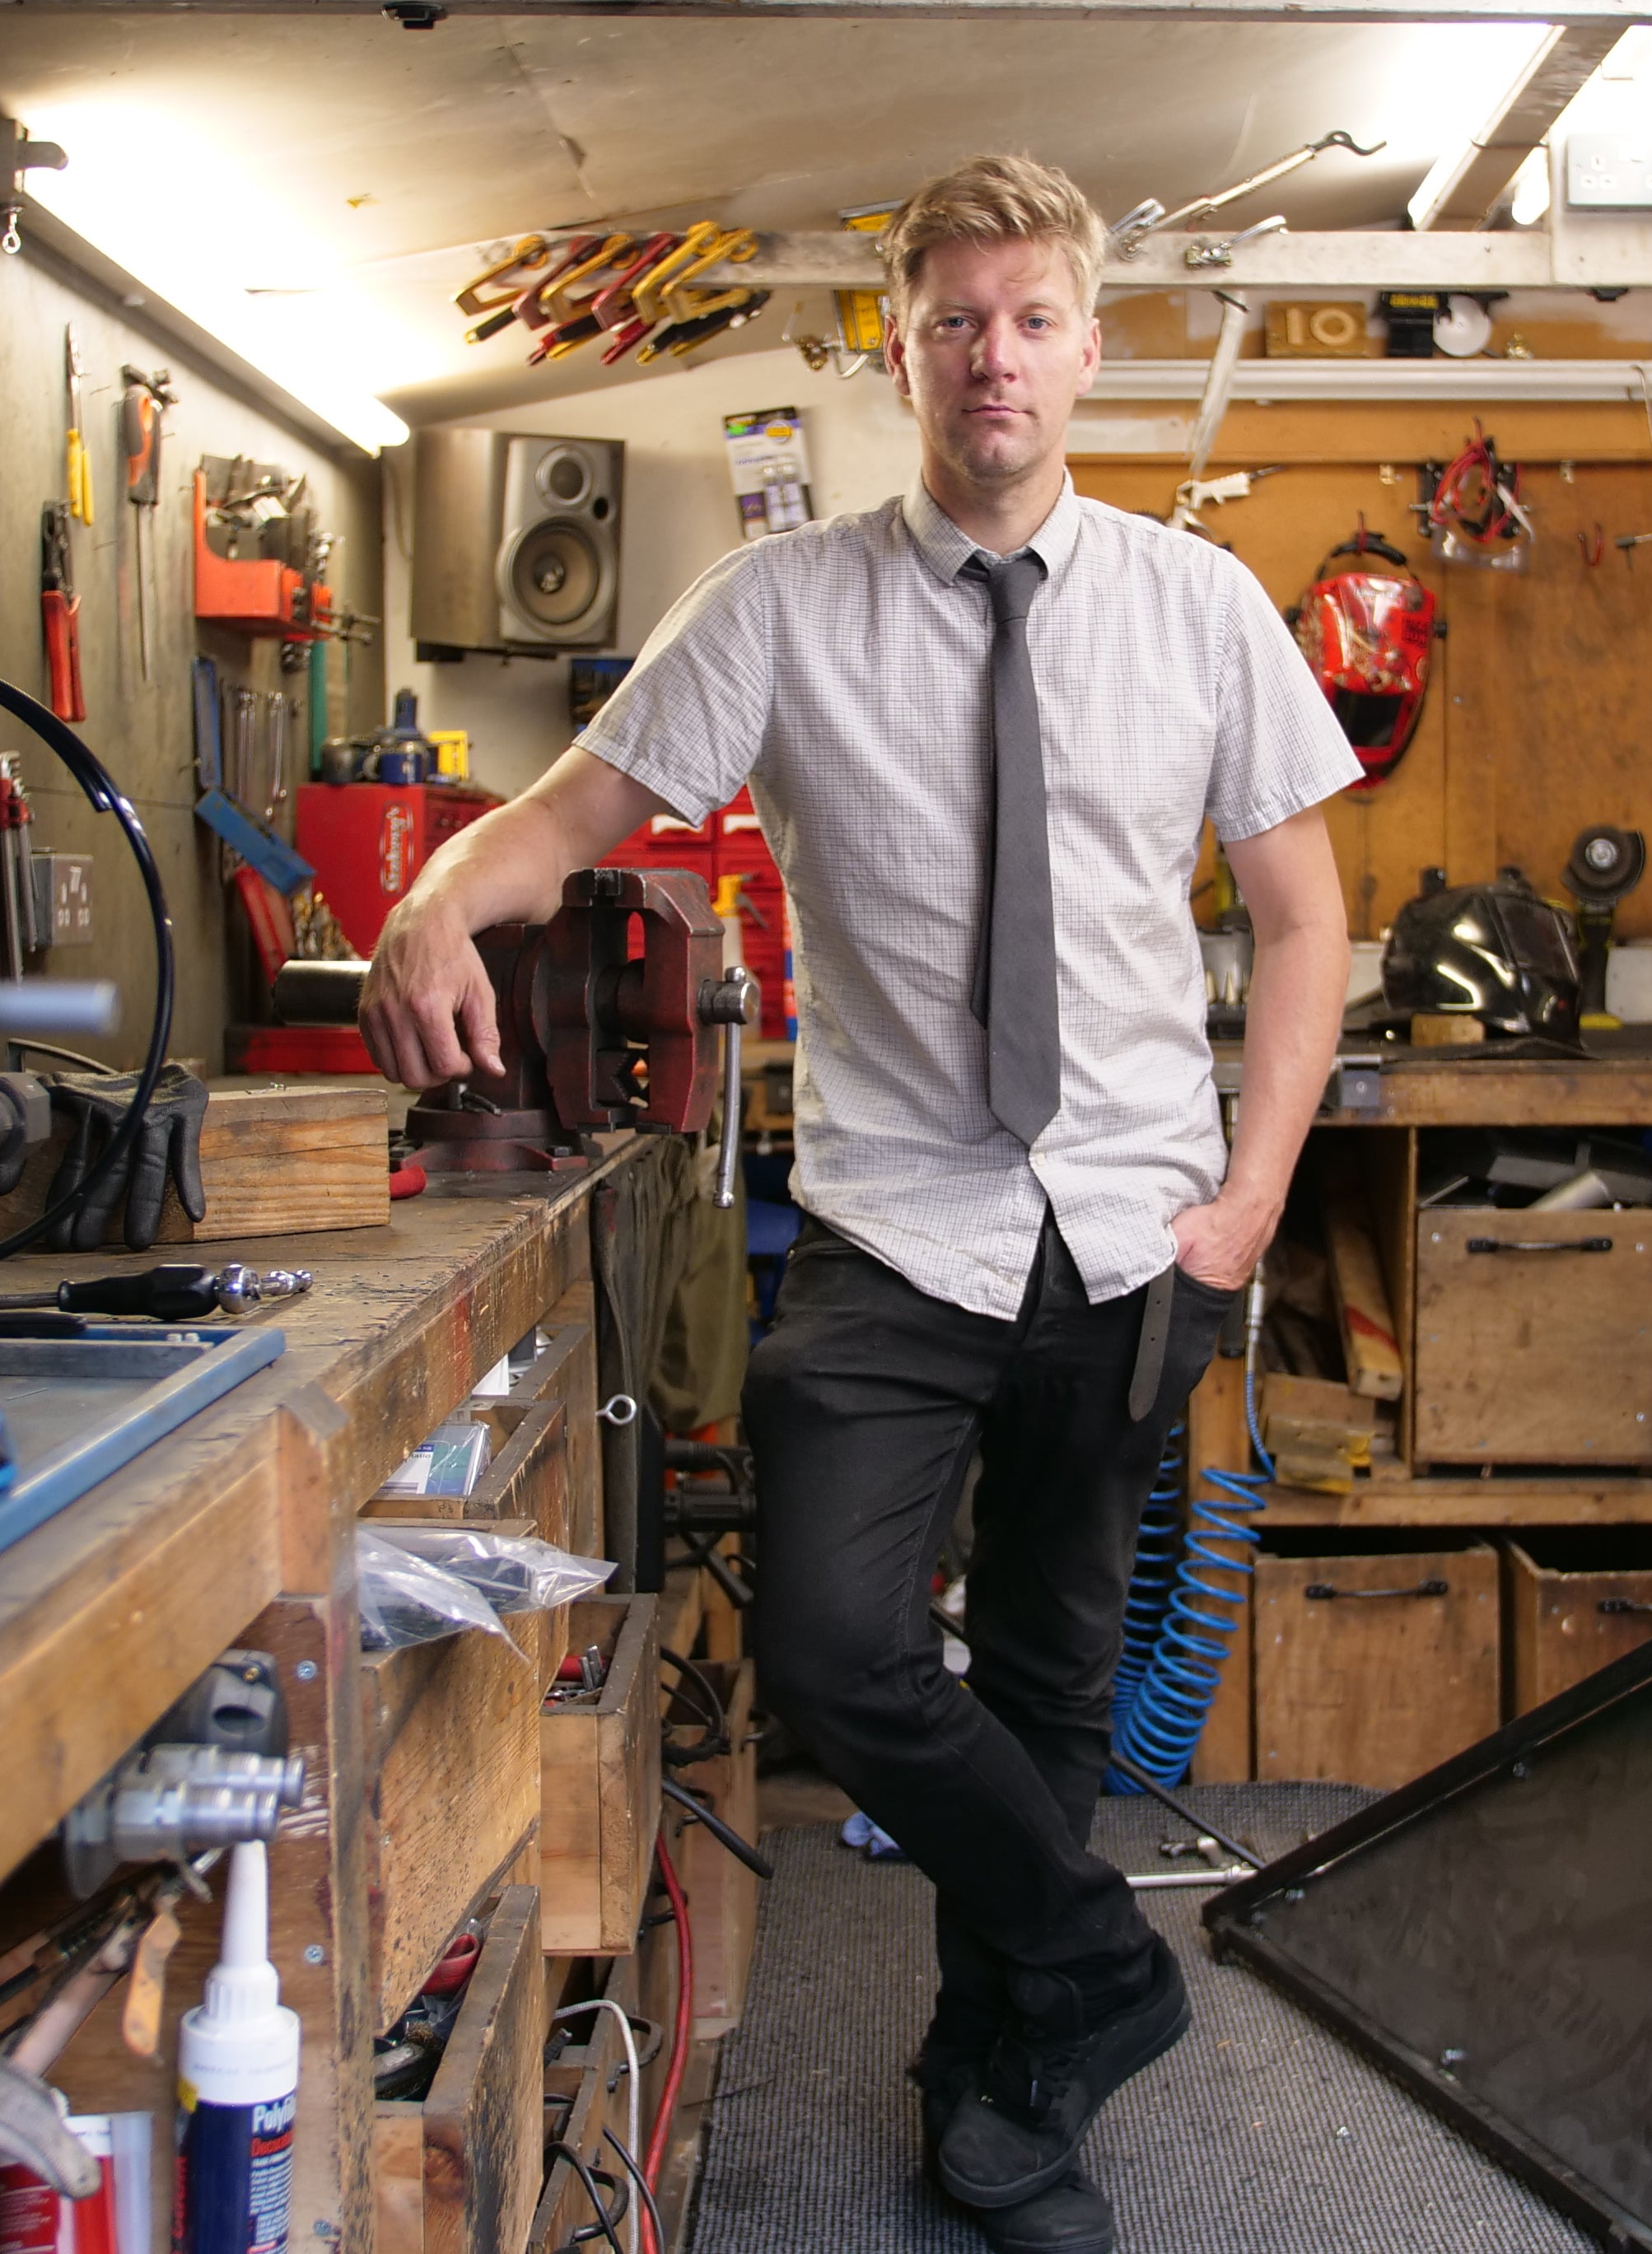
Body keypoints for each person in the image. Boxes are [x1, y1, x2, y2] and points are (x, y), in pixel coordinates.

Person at [356, 151, 1355, 2252]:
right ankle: (1100, 1954)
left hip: (1137, 1225)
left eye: (1032, 318)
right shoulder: (784, 608)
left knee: (1061, 1673)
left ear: (1090, 347)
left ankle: (1002, 2087)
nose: (994, 357)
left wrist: (1251, 1198)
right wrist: (445, 889)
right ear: (898, 347)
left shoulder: (1199, 607)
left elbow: (1300, 922)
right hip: (905, 1224)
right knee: (828, 1650)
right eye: (955, 319)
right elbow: (575, 807)